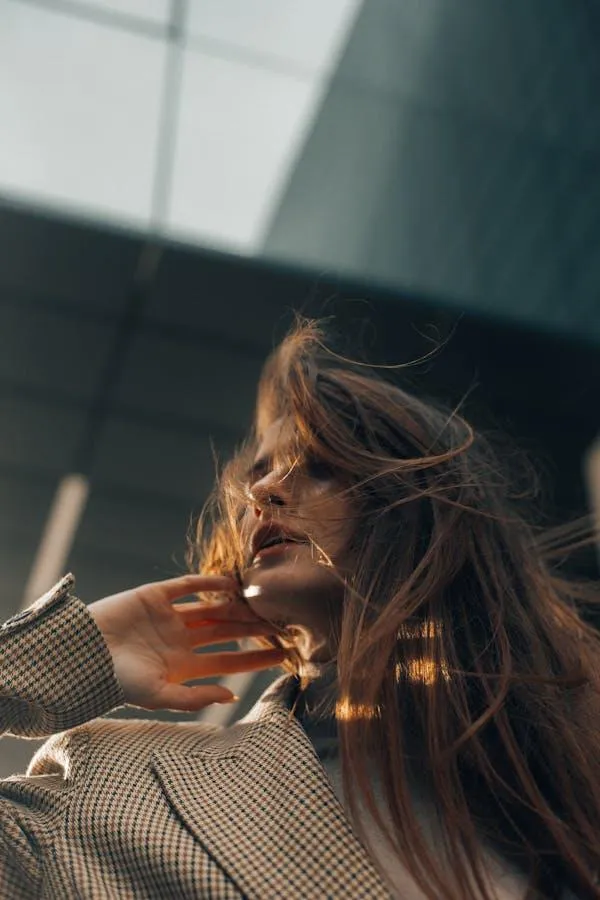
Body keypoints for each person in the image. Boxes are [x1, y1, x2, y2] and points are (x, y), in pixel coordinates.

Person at [1, 316, 599, 899]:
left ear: (420, 513)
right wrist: (54, 661)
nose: (261, 491)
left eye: (320, 465)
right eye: (258, 474)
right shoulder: (112, 778)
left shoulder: (564, 811)